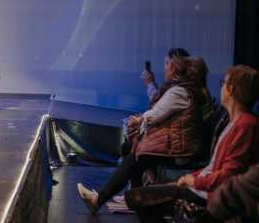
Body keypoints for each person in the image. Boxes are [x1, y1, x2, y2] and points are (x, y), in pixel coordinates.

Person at [124, 65, 259, 223]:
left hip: (210, 192)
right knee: (137, 197)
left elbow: (227, 175)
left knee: (139, 198)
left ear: (230, 89)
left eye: (223, 83)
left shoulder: (246, 125)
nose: (221, 88)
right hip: (203, 184)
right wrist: (191, 177)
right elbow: (214, 166)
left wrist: (194, 181)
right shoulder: (233, 123)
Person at [78, 56, 206, 214]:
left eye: (167, 65)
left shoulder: (180, 91)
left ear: (174, 70)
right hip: (180, 147)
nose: (164, 68)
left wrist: (141, 119)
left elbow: (156, 115)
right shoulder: (184, 89)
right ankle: (133, 198)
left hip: (180, 151)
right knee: (135, 153)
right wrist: (142, 119)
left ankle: (103, 199)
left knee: (134, 158)